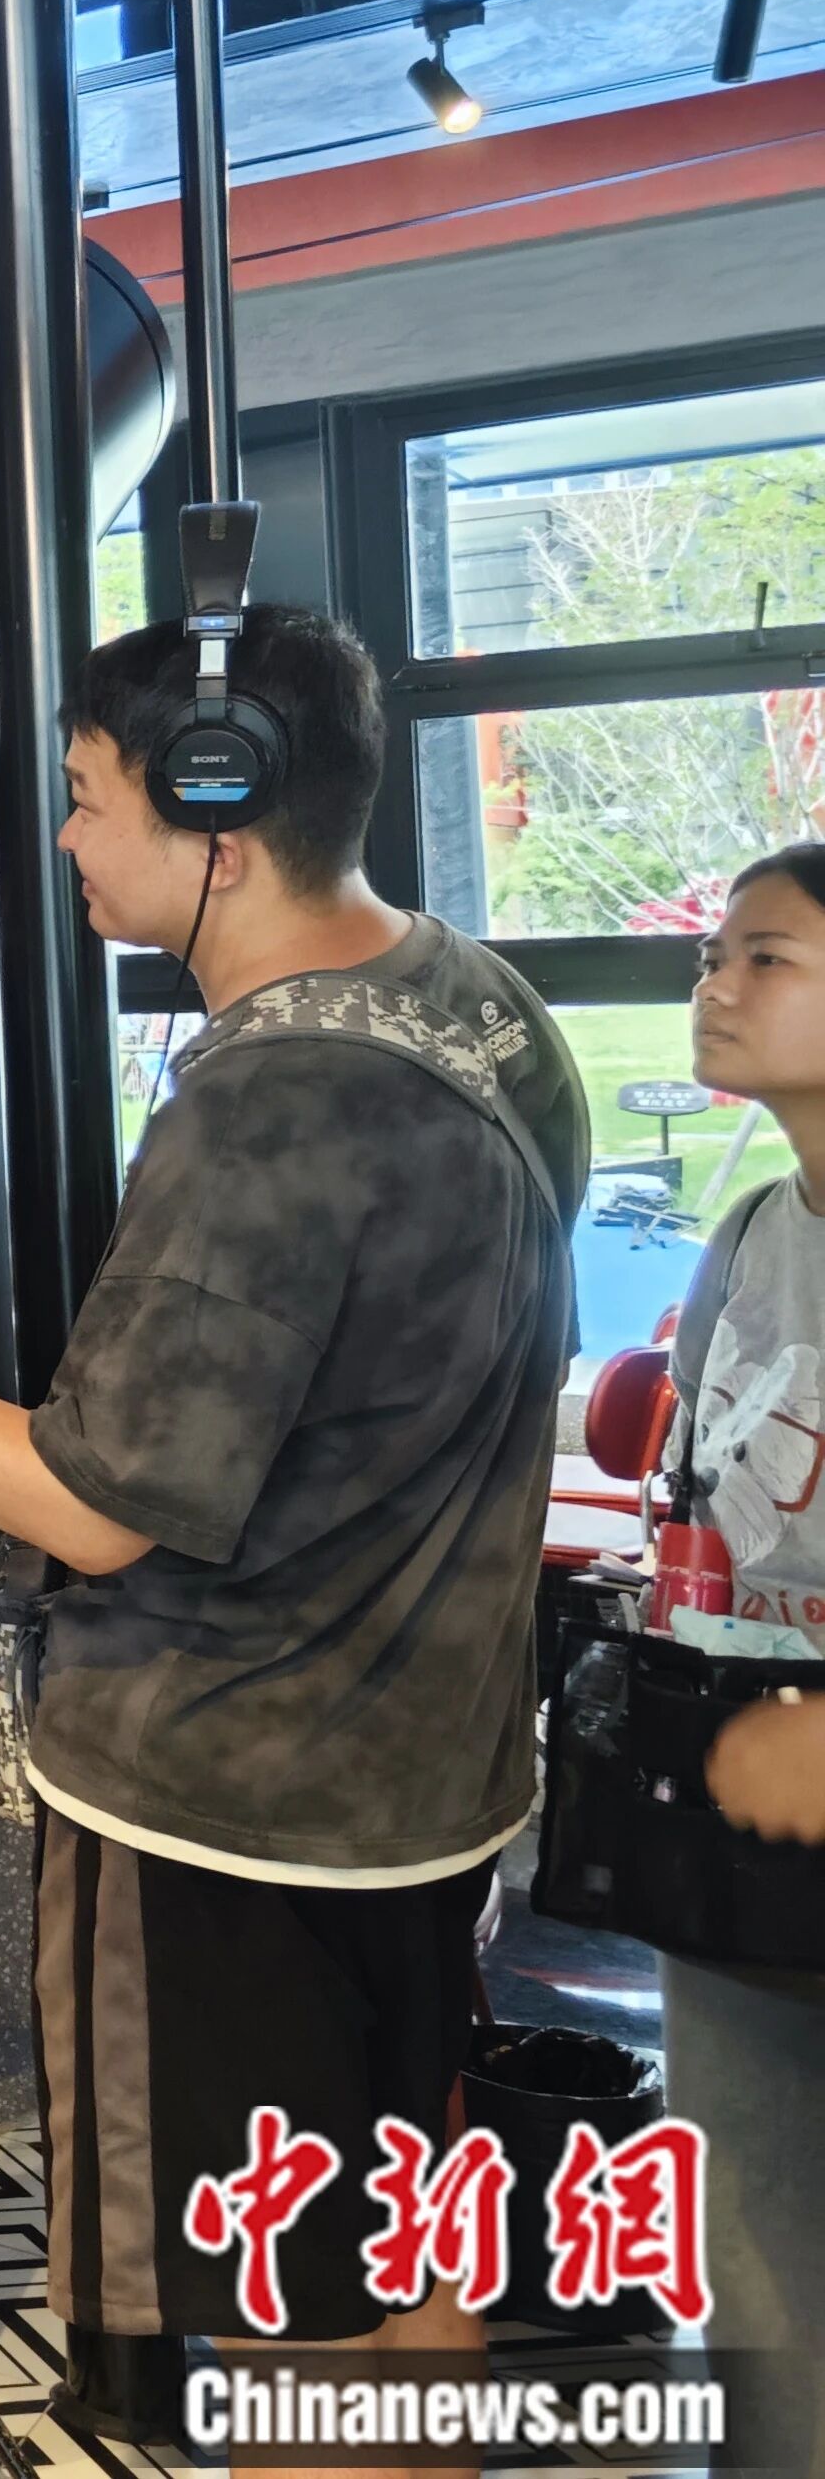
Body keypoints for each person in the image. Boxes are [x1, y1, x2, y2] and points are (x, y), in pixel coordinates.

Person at [0, 605, 584, 2479]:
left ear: (215, 808)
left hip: (228, 1813)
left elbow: (92, 1498)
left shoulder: (267, 1105)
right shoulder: (474, 997)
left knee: (281, 2320)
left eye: (84, 796)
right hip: (431, 1776)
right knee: (400, 2252)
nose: (65, 837)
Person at [655, 843, 825, 2479]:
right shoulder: (752, 1232)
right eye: (714, 953)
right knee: (753, 2262)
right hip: (740, 1837)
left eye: (765, 956)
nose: (715, 984)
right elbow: (697, 1521)